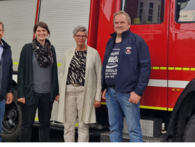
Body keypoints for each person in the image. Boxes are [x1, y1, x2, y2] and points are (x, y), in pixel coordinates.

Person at [102, 11, 151, 142]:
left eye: (122, 22)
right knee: (114, 128)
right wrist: (104, 87)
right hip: (110, 93)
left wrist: (138, 92)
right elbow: (106, 64)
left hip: (128, 94)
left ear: (129, 24)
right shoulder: (110, 41)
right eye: (116, 23)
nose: (119, 25)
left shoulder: (137, 41)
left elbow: (145, 67)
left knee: (134, 130)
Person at [58, 26, 102, 143]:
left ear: (86, 37)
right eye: (78, 36)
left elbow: (99, 76)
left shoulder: (94, 53)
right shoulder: (68, 53)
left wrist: (97, 97)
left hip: (85, 93)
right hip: (68, 92)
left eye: (83, 36)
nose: (81, 38)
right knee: (68, 126)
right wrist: (60, 94)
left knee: (83, 126)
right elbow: (62, 74)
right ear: (74, 37)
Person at [17, 22, 59, 142]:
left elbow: (54, 71)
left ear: (48, 33)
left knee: (45, 124)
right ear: (35, 33)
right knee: (27, 124)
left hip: (47, 93)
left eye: (44, 30)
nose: (41, 33)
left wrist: (56, 91)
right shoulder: (27, 48)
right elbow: (21, 71)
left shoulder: (52, 49)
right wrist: (20, 93)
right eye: (39, 31)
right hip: (31, 93)